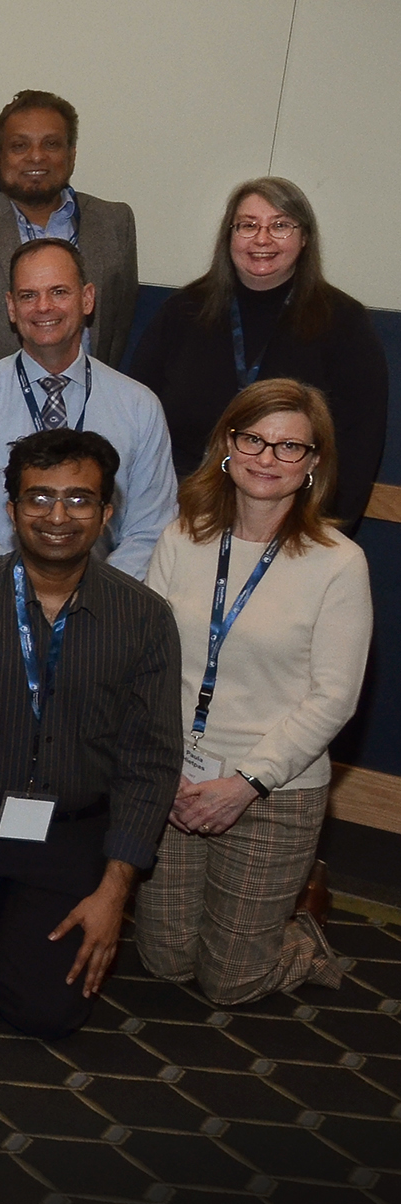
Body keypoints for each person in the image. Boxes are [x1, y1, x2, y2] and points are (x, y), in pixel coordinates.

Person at [0, 428, 183, 1038]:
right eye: (39, 498)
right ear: (13, 508)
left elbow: (149, 763)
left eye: (79, 500)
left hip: (71, 831)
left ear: (105, 514)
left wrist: (114, 893)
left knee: (46, 1012)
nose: (57, 516)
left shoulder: (145, 619)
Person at [136, 381, 369, 1003]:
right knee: (164, 961)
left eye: (290, 447)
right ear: (227, 447)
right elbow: (148, 666)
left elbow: (334, 699)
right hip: (179, 779)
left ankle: (306, 927)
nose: (267, 459)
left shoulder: (338, 563)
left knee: (230, 980)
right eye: (254, 440)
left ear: (314, 463)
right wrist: (166, 770)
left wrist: (245, 783)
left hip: (274, 788)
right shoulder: (181, 537)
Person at [124, 178, 387, 529]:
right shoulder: (181, 313)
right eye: (248, 225)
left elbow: (358, 450)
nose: (262, 239)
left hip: (291, 530)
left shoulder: (344, 323)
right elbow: (136, 422)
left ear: (304, 237)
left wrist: (314, 537)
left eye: (280, 225)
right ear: (229, 236)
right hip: (176, 520)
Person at [0, 239, 177, 578]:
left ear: (87, 298)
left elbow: (150, 529)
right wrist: (26, 595)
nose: (43, 307)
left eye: (59, 292)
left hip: (106, 603)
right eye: (28, 295)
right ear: (11, 308)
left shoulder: (138, 405)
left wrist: (94, 597)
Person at [0, 91, 139, 380]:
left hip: (90, 406)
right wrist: (11, 395)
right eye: (20, 146)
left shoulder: (114, 223)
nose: (36, 156)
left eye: (51, 144)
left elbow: (118, 327)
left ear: (71, 156)